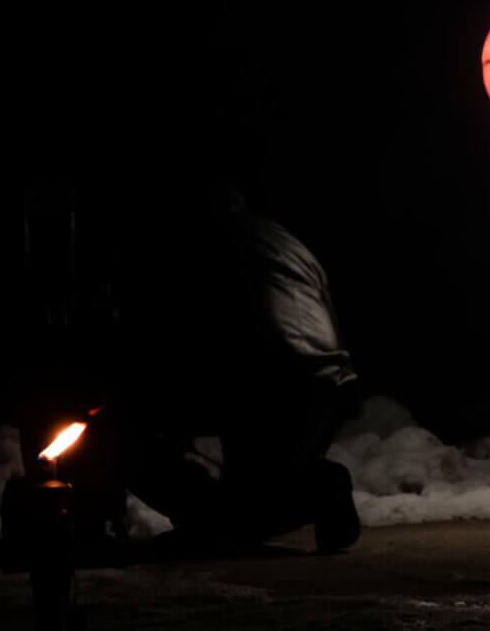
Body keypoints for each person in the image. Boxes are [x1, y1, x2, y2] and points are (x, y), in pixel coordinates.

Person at [107, 181, 362, 552]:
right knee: (254, 488)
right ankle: (306, 489)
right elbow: (324, 314)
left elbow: (186, 327)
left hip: (265, 379)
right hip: (324, 382)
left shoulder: (202, 243)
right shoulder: (286, 241)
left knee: (234, 516)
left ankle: (309, 493)